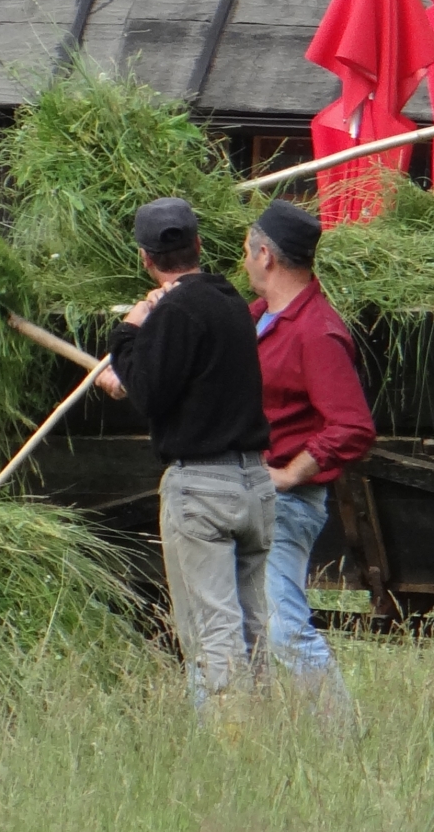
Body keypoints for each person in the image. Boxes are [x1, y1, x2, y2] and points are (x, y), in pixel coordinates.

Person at [96, 197, 274, 706]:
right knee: (253, 628)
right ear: (198, 244)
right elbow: (187, 379)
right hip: (254, 484)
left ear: (144, 258)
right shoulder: (230, 302)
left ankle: (230, 740)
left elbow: (150, 395)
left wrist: (128, 334)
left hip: (202, 489)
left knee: (211, 631)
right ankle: (270, 732)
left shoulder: (172, 313)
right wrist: (135, 365)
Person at [243, 199, 374, 724]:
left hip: (286, 503)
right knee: (245, 625)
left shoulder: (316, 332)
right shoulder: (259, 317)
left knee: (283, 627)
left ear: (266, 255)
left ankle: (343, 740)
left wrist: (291, 473)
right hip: (249, 494)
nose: (245, 262)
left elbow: (352, 426)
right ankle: (248, 732)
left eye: (247, 251)